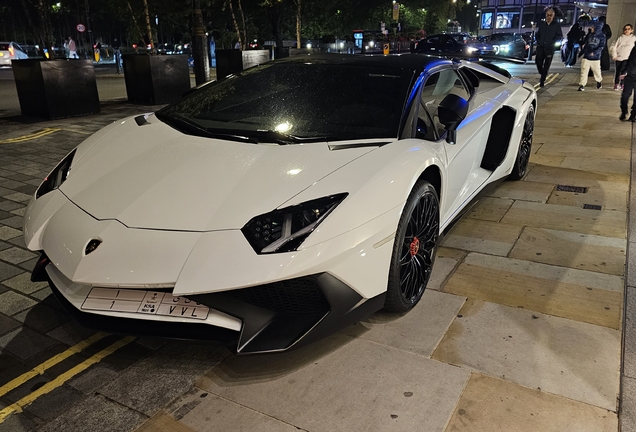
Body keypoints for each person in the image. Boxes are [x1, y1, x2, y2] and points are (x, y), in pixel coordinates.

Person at [535, 7, 563, 87]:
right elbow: (538, 34)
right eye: (547, 15)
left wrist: (553, 43)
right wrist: (538, 40)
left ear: (553, 16)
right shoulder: (542, 25)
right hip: (540, 47)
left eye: (550, 15)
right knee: (538, 62)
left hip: (549, 48)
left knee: (547, 64)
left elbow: (559, 36)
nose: (549, 17)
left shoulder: (556, 25)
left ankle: (542, 80)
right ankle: (542, 73)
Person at [578, 20, 606, 91]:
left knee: (596, 71)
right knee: (584, 71)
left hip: (595, 58)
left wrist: (595, 52)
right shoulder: (590, 35)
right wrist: (582, 52)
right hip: (586, 56)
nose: (591, 28)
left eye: (592, 27)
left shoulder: (602, 36)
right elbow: (587, 45)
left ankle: (599, 81)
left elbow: (601, 46)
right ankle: (582, 85)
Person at [611, 24, 636, 90]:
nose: (627, 30)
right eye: (625, 29)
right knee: (618, 71)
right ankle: (616, 84)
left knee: (624, 72)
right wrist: (614, 55)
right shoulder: (620, 38)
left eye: (628, 29)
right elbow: (614, 46)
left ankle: (623, 84)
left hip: (627, 58)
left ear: (631, 30)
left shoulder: (633, 38)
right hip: (619, 57)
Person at [619, 41, 636, 121]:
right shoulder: (635, 48)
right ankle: (624, 111)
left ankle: (633, 115)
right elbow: (629, 60)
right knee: (625, 96)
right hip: (630, 75)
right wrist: (624, 71)